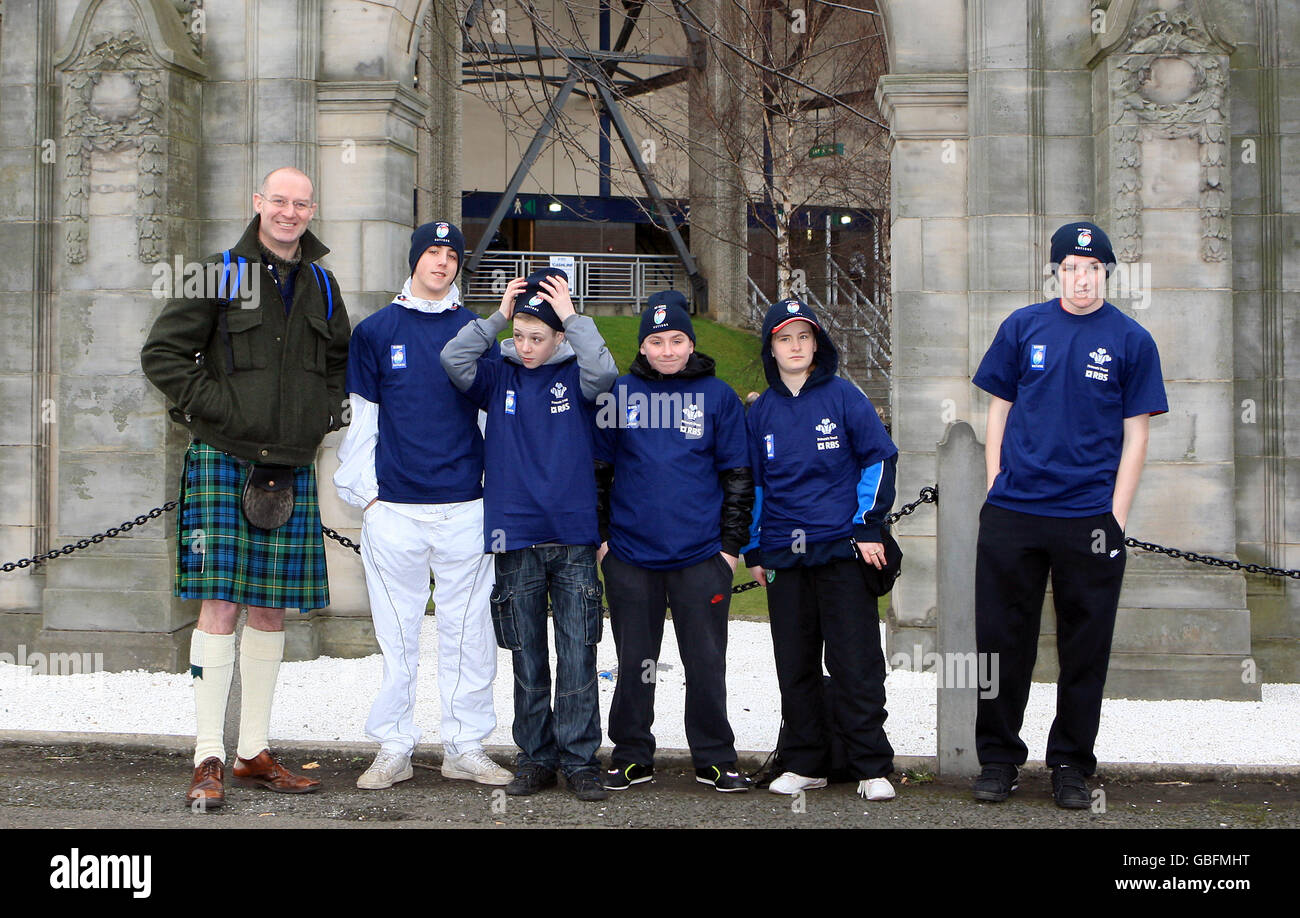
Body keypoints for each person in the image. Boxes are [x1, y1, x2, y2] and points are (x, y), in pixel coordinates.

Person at [141, 167, 351, 809]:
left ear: (312, 209)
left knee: (269, 609)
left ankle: (253, 751)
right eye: (278, 201)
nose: (289, 212)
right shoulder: (218, 271)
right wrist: (220, 410)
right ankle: (207, 755)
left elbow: (340, 361)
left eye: (300, 203)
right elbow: (163, 355)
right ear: (257, 202)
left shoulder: (321, 282)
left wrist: (318, 414)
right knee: (219, 606)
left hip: (289, 462)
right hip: (225, 455)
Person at [970, 221, 1167, 809]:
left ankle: (1072, 766)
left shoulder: (1132, 340)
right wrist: (995, 488)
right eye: (1071, 268)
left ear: (1107, 273)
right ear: (1056, 271)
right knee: (1001, 643)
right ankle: (999, 760)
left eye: (1093, 269)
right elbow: (999, 415)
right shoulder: (1022, 326)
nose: (1081, 279)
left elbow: (1137, 437)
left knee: (1086, 647)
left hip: (1089, 518)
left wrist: (1117, 517)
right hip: (1015, 512)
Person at [333, 220, 512, 790]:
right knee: (398, 634)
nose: (442, 262)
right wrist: (369, 497)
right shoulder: (376, 331)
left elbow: (492, 419)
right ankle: (395, 745)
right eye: (432, 252)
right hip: (397, 511)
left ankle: (465, 746)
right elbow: (363, 421)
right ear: (415, 259)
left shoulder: (477, 332)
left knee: (468, 633)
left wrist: (491, 493)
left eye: (451, 253)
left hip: (466, 507)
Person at [440, 267, 618, 801]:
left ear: (559, 336)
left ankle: (581, 760)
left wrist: (572, 317)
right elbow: (453, 358)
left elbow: (606, 374)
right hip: (514, 536)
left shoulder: (577, 376)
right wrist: (496, 316)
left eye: (537, 337)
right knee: (526, 654)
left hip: (573, 536)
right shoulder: (500, 374)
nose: (526, 345)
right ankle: (536, 757)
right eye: (519, 335)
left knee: (578, 651)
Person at [593, 291, 754, 793]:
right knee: (636, 661)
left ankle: (714, 755)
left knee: (705, 660)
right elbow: (597, 475)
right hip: (631, 555)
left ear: (691, 343)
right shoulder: (617, 396)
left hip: (701, 556)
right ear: (642, 347)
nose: (666, 350)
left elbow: (738, 477)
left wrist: (729, 550)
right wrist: (603, 544)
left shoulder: (719, 397)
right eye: (656, 341)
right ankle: (632, 753)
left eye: (676, 340)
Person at [743, 298, 899, 802]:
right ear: (772, 347)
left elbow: (878, 460)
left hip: (841, 550)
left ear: (816, 344)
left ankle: (870, 764)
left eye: (803, 337)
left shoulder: (845, 397)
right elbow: (754, 487)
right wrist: (756, 550)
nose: (795, 346)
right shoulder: (761, 411)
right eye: (784, 338)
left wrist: (869, 528)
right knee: (796, 664)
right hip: (784, 556)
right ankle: (807, 761)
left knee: (855, 662)